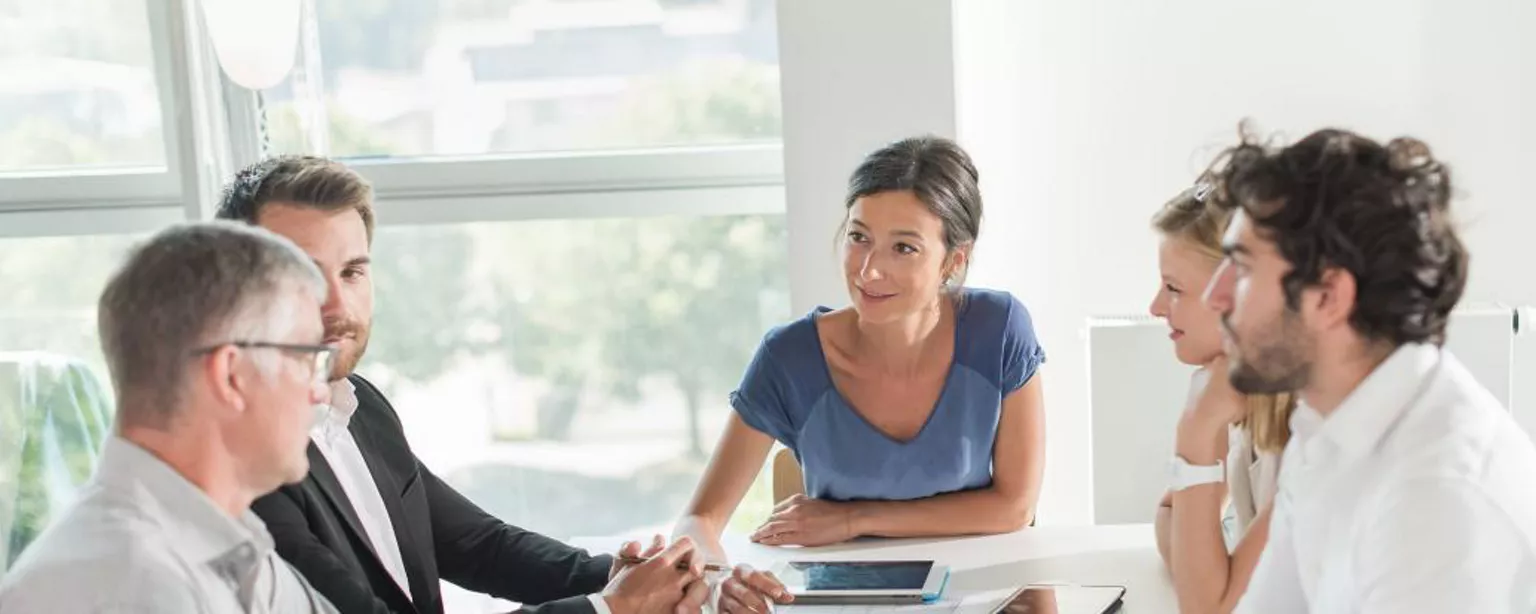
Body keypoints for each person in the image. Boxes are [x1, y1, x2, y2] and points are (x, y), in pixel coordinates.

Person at [217, 156, 709, 614]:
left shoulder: (359, 405)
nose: (337, 307)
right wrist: (611, 607)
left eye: (352, 272)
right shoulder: (240, 464)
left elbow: (480, 546)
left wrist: (634, 577)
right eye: (303, 275)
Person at [676, 136, 1048, 614]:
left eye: (904, 248)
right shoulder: (788, 356)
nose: (869, 271)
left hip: (982, 594)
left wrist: (851, 519)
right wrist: (719, 582)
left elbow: (1014, 508)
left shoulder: (998, 329)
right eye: (859, 237)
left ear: (954, 261)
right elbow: (699, 519)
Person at [1195, 128, 1536, 613]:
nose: (1215, 296)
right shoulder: (1326, 428)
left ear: (1329, 297)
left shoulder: (1437, 498)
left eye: (1243, 269)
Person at [0, 222, 338, 613]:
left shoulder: (229, 543)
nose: (320, 390)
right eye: (306, 359)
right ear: (232, 376)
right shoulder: (122, 585)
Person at [1147, 178, 1295, 614]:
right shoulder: (1252, 403)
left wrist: (1196, 434)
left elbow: (1211, 609)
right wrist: (1208, 576)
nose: (1156, 306)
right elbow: (1168, 515)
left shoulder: (1311, 432)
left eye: (1173, 288)